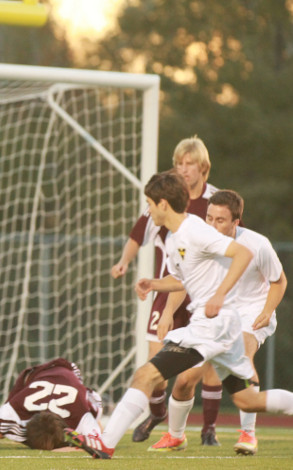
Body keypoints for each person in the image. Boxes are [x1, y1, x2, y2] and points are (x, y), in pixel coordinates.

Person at [65, 170, 292, 459]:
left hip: (213, 326)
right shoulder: (175, 238)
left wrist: (220, 295)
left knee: (145, 374)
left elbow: (243, 254)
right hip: (220, 327)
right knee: (248, 401)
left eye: (149, 203)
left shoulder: (195, 230)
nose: (147, 210)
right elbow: (184, 279)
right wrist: (154, 283)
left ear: (163, 204)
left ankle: (105, 442)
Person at [149, 189, 287, 455]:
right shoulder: (198, 240)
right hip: (213, 317)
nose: (212, 224)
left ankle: (248, 435)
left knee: (243, 358)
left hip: (250, 313)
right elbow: (181, 282)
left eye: (220, 220)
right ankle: (175, 436)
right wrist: (166, 314)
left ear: (236, 222)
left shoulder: (258, 245)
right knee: (185, 379)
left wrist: (268, 310)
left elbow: (279, 281)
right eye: (209, 218)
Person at [111, 136, 222, 445]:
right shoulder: (163, 201)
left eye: (189, 164)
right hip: (167, 290)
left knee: (192, 377)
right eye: (178, 164)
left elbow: (235, 245)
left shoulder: (214, 202)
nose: (183, 170)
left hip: (202, 297)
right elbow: (137, 234)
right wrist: (123, 262)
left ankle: (201, 430)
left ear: (203, 167)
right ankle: (157, 412)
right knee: (154, 370)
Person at [0, 358, 103, 451]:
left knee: (95, 422)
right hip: (35, 376)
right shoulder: (19, 408)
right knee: (0, 432)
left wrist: (75, 444)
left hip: (68, 370)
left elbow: (98, 439)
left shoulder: (81, 410)